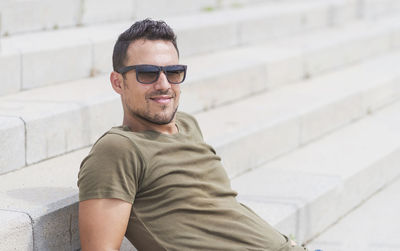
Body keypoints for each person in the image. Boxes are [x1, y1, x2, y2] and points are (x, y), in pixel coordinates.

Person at [77, 18, 308, 251]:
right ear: (118, 82)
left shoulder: (187, 124)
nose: (164, 84)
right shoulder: (118, 149)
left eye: (174, 72)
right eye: (147, 74)